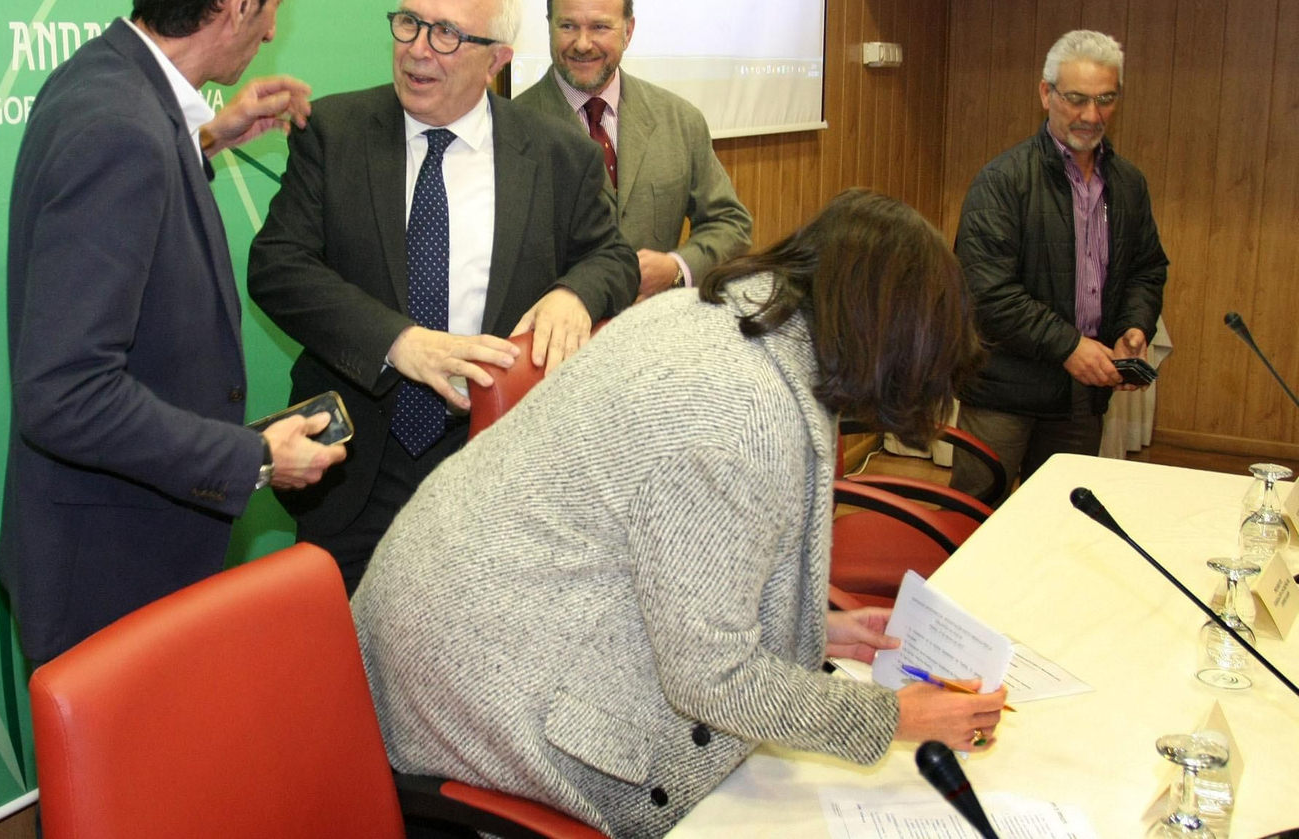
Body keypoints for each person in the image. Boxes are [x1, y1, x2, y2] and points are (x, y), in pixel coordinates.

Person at [352, 189, 1005, 838]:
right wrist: (892, 718)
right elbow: (712, 680)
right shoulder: (743, 413)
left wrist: (815, 627)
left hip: (467, 615)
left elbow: (674, 549)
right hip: (475, 679)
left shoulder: (710, 314)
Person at [0, 0, 345, 665]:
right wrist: (254, 457)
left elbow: (127, 207)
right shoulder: (120, 128)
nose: (270, 32)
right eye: (276, 4)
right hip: (110, 570)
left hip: (110, 543)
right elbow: (64, 393)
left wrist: (215, 136)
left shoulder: (107, 80)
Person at [248, 0, 638, 592]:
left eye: (449, 33)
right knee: (348, 673)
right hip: (357, 468)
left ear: (499, 59)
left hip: (496, 466)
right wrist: (399, 342)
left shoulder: (557, 153)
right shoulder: (335, 132)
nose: (418, 48)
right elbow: (278, 266)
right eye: (409, 22)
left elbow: (614, 257)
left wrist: (576, 293)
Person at [952, 29, 1168, 502]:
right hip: (1003, 394)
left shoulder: (1128, 183)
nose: (1092, 115)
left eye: (1106, 100)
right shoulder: (1002, 182)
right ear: (1046, 93)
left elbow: (1146, 269)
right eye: (1077, 99)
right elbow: (987, 293)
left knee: (1061, 525)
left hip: (1081, 399)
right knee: (970, 524)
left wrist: (1134, 326)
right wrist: (1070, 345)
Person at [514, 0, 752, 298]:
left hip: (655, 333)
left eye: (599, 27)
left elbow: (731, 224)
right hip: (556, 342)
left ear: (628, 31)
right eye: (567, 26)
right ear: (549, 27)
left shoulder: (680, 121)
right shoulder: (511, 129)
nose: (582, 44)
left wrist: (677, 268)